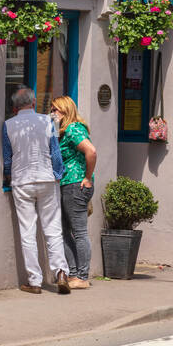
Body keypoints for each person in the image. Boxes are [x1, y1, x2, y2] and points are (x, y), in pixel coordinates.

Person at [2, 85, 71, 295]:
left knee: (27, 231)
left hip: (22, 181)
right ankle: (60, 273)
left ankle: (34, 281)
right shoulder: (47, 121)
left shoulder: (8, 125)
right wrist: (58, 175)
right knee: (53, 229)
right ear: (33, 103)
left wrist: (8, 174)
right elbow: (55, 153)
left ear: (14, 106)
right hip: (46, 178)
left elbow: (7, 157)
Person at [51, 95, 97, 290]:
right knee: (63, 231)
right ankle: (74, 273)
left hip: (75, 184)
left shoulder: (72, 129)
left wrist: (87, 177)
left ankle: (82, 276)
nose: (52, 113)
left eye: (55, 110)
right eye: (51, 109)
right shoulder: (63, 131)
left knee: (79, 232)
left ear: (65, 111)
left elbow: (91, 151)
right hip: (68, 184)